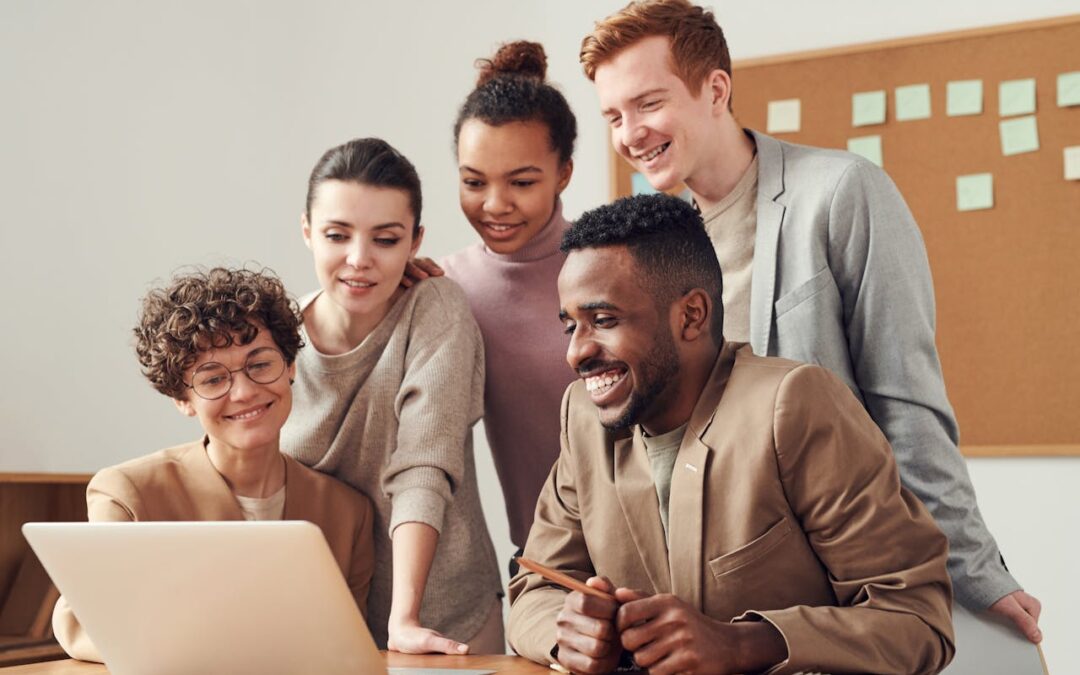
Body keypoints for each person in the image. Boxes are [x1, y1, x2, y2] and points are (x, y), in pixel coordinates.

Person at [580, 0, 1041, 642]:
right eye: (613, 115)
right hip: (710, 597)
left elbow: (905, 402)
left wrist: (975, 572)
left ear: (715, 89)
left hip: (839, 585)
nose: (630, 133)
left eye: (648, 104)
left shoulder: (841, 193)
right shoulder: (651, 247)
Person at [508, 194, 955, 675]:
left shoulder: (794, 405)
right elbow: (534, 589)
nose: (576, 353)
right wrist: (567, 632)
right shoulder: (583, 416)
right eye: (570, 326)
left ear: (692, 315)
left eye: (604, 320)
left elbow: (917, 621)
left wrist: (742, 644)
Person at [52, 267, 376, 663]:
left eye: (260, 364)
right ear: (182, 399)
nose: (244, 392)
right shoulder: (128, 494)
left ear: (291, 367)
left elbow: (347, 651)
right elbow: (81, 625)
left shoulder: (347, 513)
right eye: (212, 379)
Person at [280, 138, 503, 654]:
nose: (359, 260)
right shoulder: (277, 336)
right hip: (321, 624)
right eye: (338, 235)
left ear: (414, 242)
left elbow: (423, 463)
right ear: (308, 232)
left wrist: (403, 619)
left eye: (385, 239)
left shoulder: (435, 309)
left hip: (442, 619)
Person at [440, 40, 577, 572]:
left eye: (521, 182)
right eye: (474, 182)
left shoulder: (611, 266)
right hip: (544, 564)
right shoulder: (447, 286)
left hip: (659, 553)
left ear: (564, 172)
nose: (494, 205)